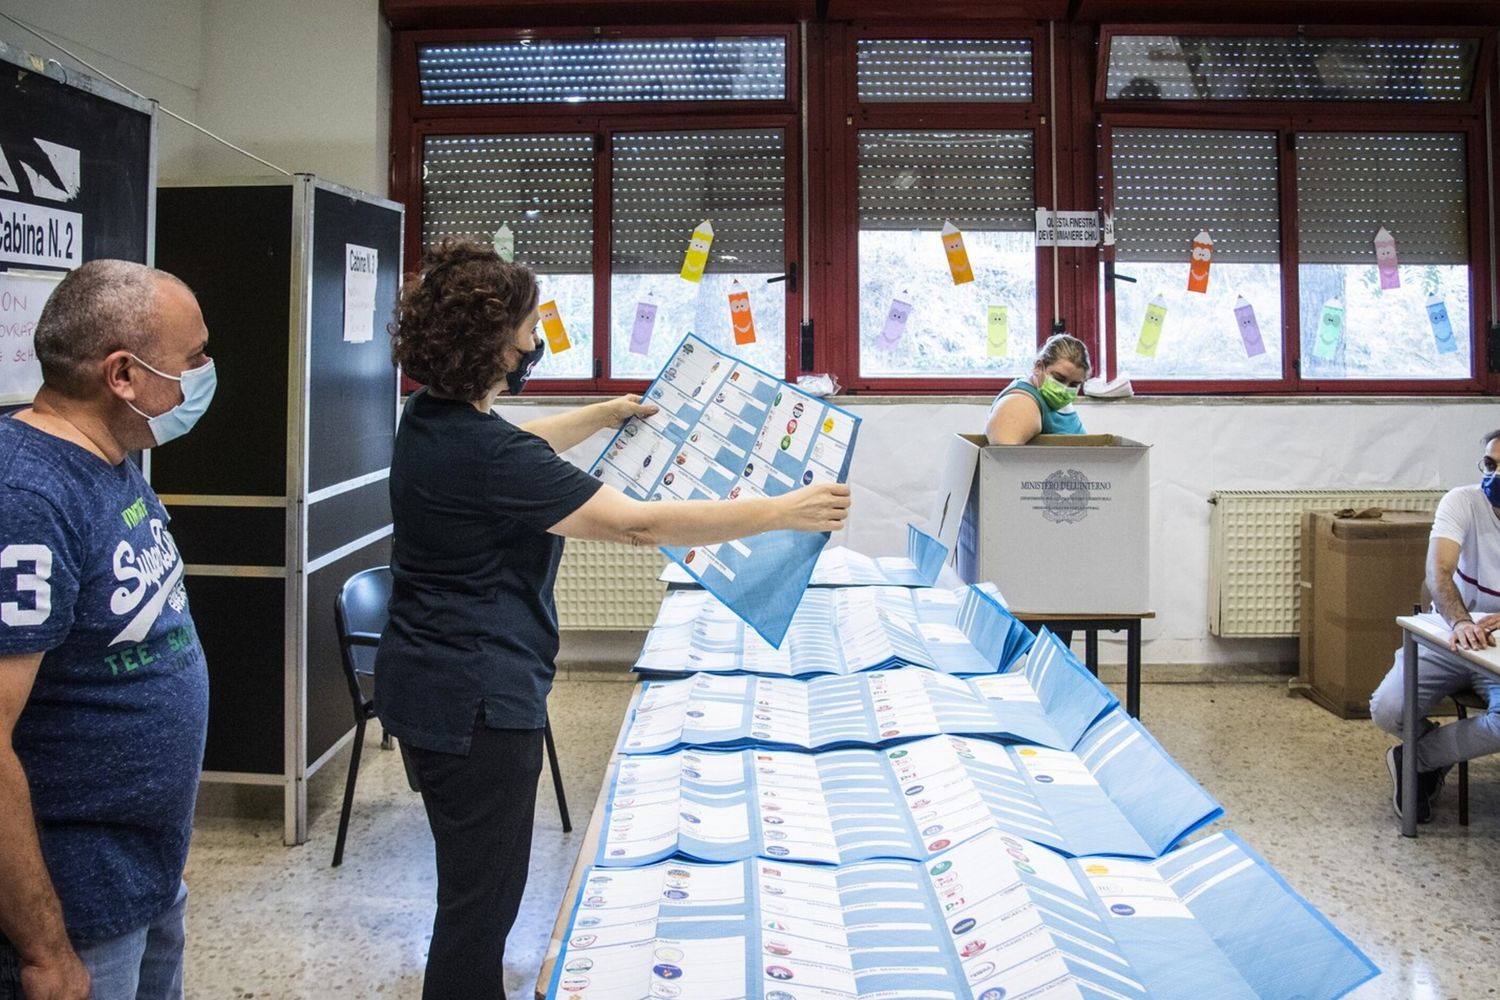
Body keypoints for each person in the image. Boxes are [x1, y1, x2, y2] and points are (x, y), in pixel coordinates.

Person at [374, 239, 851, 1000]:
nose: (536, 342)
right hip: (477, 703)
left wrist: (604, 413)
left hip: (428, 686)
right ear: (494, 341)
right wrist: (780, 510)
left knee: (470, 890)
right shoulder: (488, 456)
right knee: (480, 907)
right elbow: (635, 524)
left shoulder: (429, 421)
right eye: (529, 327)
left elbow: (515, 442)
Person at [0, 260, 215, 1000]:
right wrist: (44, 950)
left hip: (143, 878)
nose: (202, 376)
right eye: (193, 359)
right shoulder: (28, 497)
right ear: (123, 374)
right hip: (75, 906)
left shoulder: (111, 459)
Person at [1369, 428, 1500, 823]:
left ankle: (1416, 759)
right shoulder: (1462, 501)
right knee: (1388, 709)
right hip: (1450, 632)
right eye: (1490, 465)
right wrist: (1459, 621)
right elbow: (1438, 571)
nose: (1493, 476)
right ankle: (1434, 757)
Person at [985, 333, 1091, 445]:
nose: (1064, 389)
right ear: (1038, 367)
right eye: (1059, 379)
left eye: (1074, 385)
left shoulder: (1053, 399)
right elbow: (1001, 456)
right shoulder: (1020, 402)